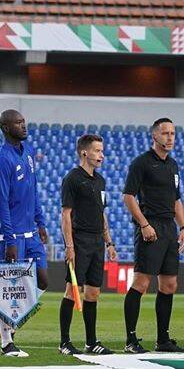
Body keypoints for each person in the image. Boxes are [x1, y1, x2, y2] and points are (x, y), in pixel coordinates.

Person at [0, 108, 49, 358]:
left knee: (43, 280)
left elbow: (33, 191)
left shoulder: (28, 155)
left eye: (24, 121)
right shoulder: (2, 159)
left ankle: (8, 323)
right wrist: (10, 239)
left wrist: (40, 221)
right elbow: (1, 202)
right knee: (9, 286)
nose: (24, 126)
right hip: (8, 233)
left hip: (29, 231)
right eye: (18, 123)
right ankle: (6, 343)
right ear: (5, 128)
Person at [121, 118, 184, 353]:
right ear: (154, 136)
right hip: (150, 227)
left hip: (169, 228)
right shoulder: (141, 163)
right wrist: (145, 225)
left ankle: (163, 340)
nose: (170, 138)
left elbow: (176, 199)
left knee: (169, 284)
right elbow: (128, 196)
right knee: (141, 282)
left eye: (173, 134)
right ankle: (131, 340)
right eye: (165, 133)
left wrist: (183, 228)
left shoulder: (173, 165)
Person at [59, 134, 116, 356]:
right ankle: (64, 342)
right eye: (97, 151)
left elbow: (102, 213)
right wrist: (69, 246)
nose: (101, 155)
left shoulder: (100, 181)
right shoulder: (72, 178)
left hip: (96, 243)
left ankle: (91, 342)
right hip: (79, 241)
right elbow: (66, 214)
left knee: (93, 293)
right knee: (72, 291)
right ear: (85, 152)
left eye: (102, 151)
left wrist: (109, 241)